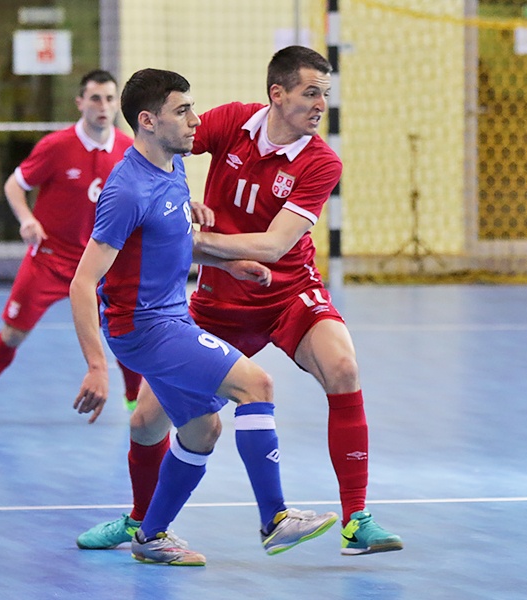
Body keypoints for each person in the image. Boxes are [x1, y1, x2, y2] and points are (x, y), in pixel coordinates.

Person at [77, 46, 403, 557]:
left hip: (286, 290)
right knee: (147, 422)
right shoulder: (230, 123)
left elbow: (273, 246)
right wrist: (170, 218)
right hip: (212, 304)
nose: (321, 105)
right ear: (278, 94)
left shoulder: (321, 160)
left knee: (342, 367)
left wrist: (190, 238)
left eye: (326, 95)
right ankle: (143, 524)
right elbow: (158, 146)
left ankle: (354, 518)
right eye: (310, 93)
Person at [0, 69, 141, 423]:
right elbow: (15, 185)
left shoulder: (127, 149)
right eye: (95, 98)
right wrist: (27, 218)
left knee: (123, 334)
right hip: (50, 261)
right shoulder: (56, 146)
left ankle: (134, 401)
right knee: (12, 334)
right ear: (80, 103)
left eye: (110, 99)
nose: (103, 106)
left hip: (101, 266)